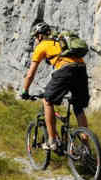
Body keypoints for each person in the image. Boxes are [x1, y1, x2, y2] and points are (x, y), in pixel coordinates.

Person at [21, 21, 90, 151]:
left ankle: (52, 141)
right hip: (81, 69)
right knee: (78, 107)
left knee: (47, 101)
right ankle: (86, 146)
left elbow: (30, 74)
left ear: (40, 36)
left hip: (65, 70)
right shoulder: (61, 42)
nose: (35, 40)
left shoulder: (42, 46)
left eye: (35, 37)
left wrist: (25, 90)